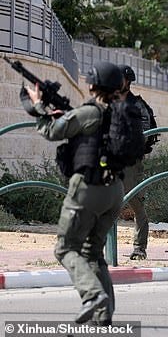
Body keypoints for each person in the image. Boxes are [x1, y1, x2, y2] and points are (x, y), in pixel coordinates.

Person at [24, 61, 124, 325]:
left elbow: (52, 131)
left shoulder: (90, 112)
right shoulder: (120, 113)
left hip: (88, 189)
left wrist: (36, 104)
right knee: (92, 251)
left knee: (65, 248)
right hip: (114, 191)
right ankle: (104, 316)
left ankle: (92, 296)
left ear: (92, 85)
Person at [118, 65, 157, 261]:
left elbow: (144, 131)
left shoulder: (137, 105)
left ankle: (139, 247)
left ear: (128, 81)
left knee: (136, 204)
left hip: (131, 162)